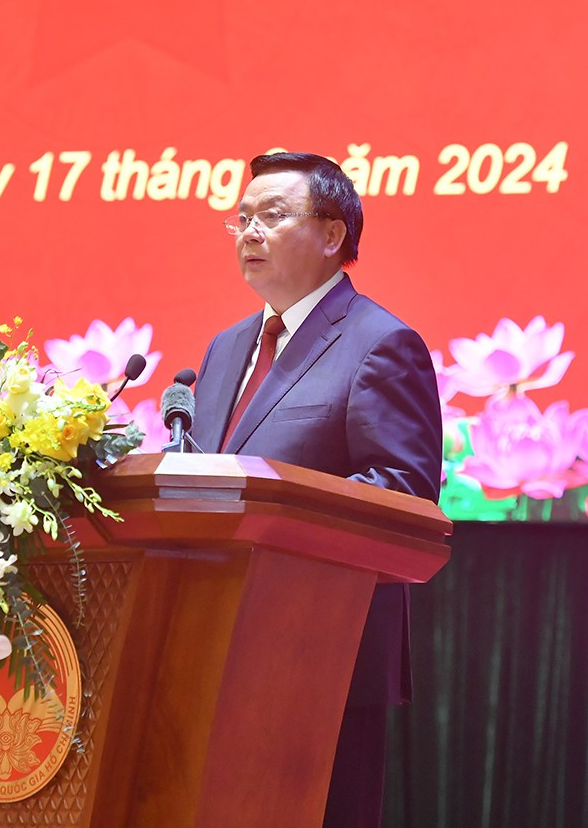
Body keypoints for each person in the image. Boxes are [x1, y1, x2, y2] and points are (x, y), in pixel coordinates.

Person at [190, 150, 443, 828]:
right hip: (209, 645)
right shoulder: (224, 349)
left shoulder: (380, 344)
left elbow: (404, 493)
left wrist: (276, 507)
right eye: (241, 219)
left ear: (333, 235)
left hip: (321, 654)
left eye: (272, 216)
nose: (249, 233)